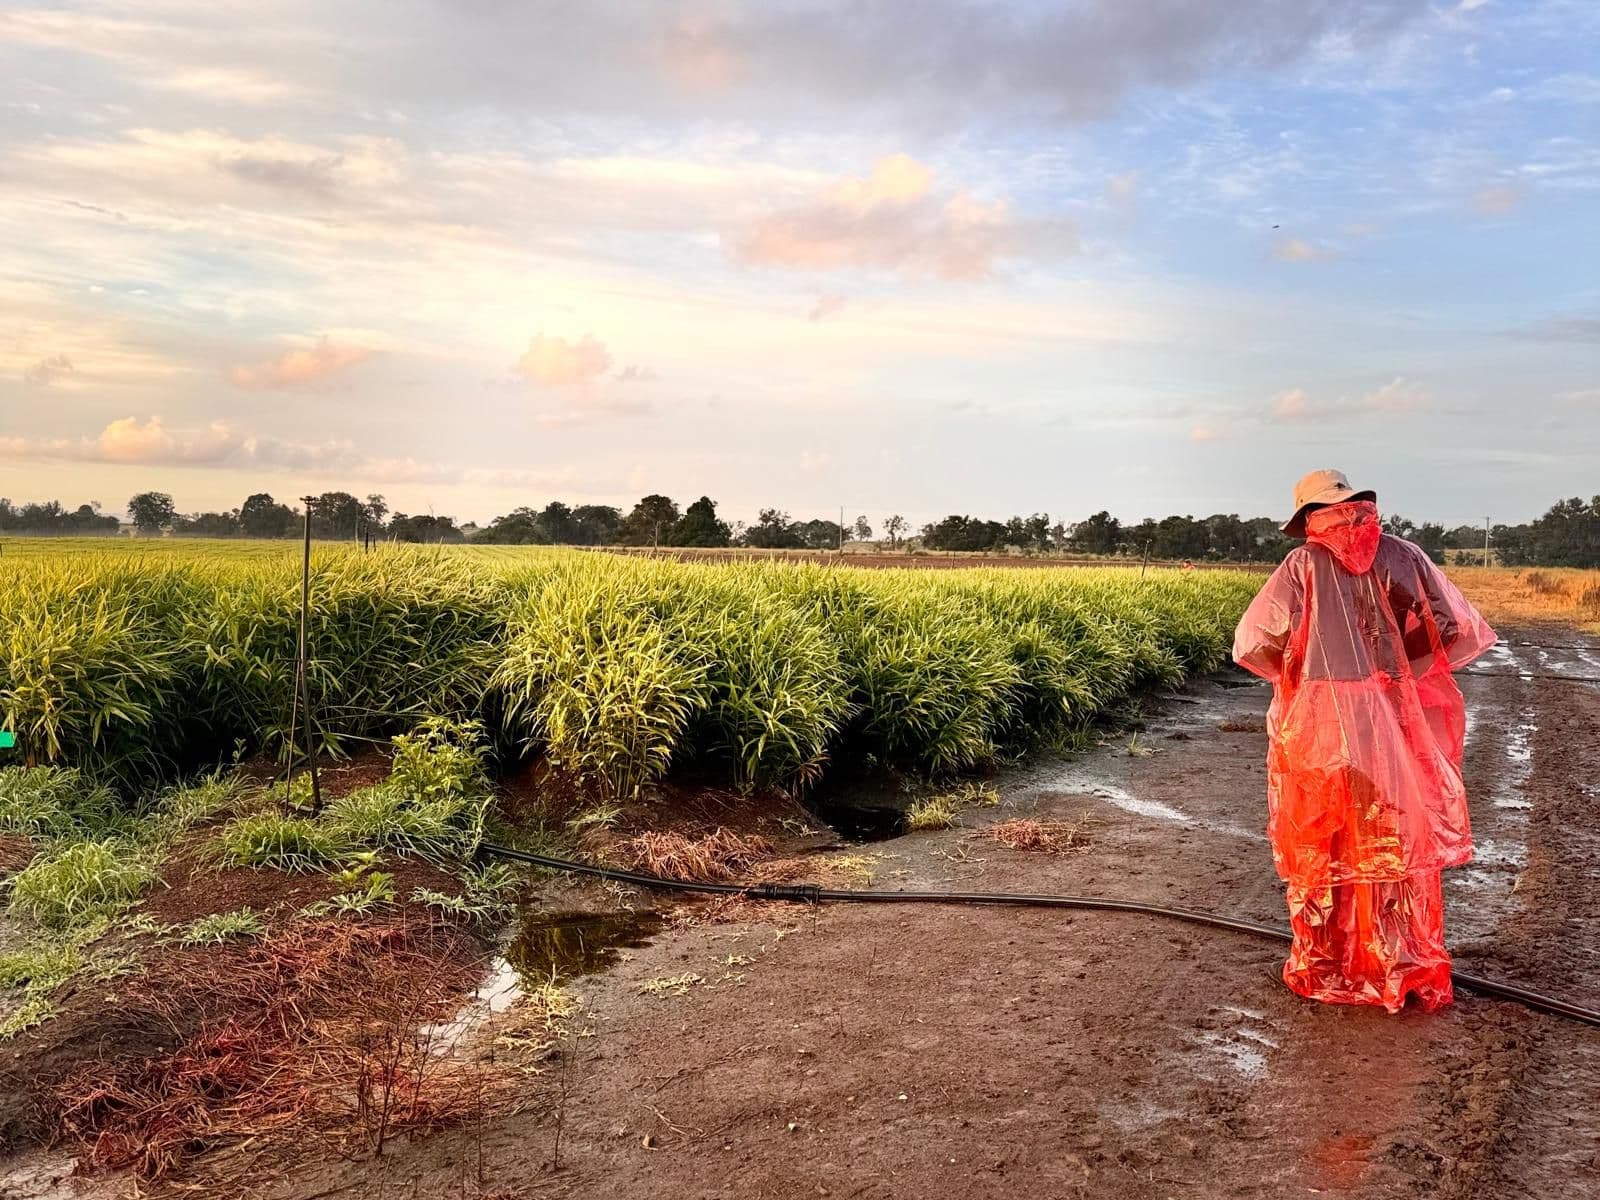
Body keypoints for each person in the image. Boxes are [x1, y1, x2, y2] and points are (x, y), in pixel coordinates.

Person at [1232, 469, 1497, 1012]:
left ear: (1308, 516)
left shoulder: (1302, 565)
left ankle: (1334, 962)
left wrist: (1304, 675)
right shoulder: (1405, 557)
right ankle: (1402, 961)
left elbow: (1257, 642)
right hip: (1395, 715)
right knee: (1396, 831)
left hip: (1322, 719)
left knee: (1326, 836)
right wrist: (1396, 675)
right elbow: (1448, 627)